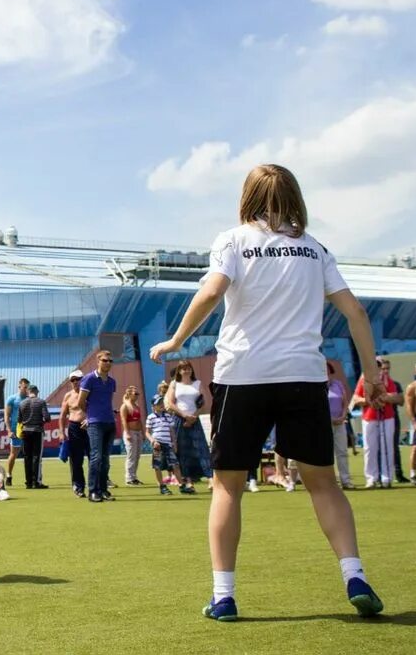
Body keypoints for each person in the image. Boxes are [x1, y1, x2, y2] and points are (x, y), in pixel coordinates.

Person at [149, 164, 385, 621]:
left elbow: (211, 293)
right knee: (324, 485)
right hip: (303, 377)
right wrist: (371, 377)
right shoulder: (315, 250)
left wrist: (177, 341)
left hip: (243, 376)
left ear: (248, 195)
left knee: (227, 487)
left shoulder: (234, 240)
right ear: (295, 196)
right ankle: (355, 575)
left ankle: (224, 596)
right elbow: (355, 311)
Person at [350, 358, 398, 489]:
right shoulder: (364, 379)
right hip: (369, 417)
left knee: (386, 447)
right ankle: (371, 478)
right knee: (370, 448)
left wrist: (384, 397)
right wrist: (368, 400)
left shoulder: (387, 380)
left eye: (378, 366)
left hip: (386, 416)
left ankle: (386, 477)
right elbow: (356, 398)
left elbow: (394, 395)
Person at [166, 360, 213, 494]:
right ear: (179, 371)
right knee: (183, 452)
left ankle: (210, 479)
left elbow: (203, 403)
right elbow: (170, 403)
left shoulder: (197, 383)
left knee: (201, 449)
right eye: (183, 369)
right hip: (180, 419)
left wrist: (193, 416)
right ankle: (188, 481)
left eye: (188, 368)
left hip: (195, 418)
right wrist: (184, 415)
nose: (186, 371)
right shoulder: (174, 384)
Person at [77, 351, 117, 503]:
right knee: (96, 457)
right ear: (98, 361)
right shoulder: (89, 379)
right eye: (105, 360)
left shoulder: (112, 382)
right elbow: (81, 402)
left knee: (105, 459)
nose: (108, 363)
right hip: (95, 423)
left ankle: (103, 489)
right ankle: (93, 491)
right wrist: (91, 415)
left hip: (110, 422)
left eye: (110, 360)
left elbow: (108, 401)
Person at [58, 370, 88, 497]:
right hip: (74, 428)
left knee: (95, 458)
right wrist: (61, 432)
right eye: (73, 380)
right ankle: (78, 486)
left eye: (78, 379)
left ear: (83, 379)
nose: (75, 382)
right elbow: (63, 416)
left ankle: (96, 486)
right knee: (76, 459)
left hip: (90, 427)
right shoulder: (68, 396)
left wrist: (89, 419)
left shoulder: (88, 393)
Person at [145, 394, 181, 495]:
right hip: (157, 444)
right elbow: (147, 432)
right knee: (157, 466)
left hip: (168, 444)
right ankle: (162, 486)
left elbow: (172, 431)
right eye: (158, 403)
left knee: (175, 464)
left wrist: (174, 443)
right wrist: (153, 441)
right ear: (153, 406)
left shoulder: (168, 416)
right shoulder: (151, 417)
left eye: (162, 403)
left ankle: (181, 485)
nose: (161, 405)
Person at [326, 363, 354, 489]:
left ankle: (345, 480)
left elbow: (345, 402)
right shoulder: (317, 386)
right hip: (324, 425)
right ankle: (330, 482)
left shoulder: (338, 384)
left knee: (342, 452)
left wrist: (343, 416)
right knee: (327, 453)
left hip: (339, 423)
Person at [18, 385, 50, 489]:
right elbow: (47, 417)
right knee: (37, 457)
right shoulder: (41, 402)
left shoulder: (22, 403)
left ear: (28, 391)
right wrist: (41, 422)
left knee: (27, 457)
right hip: (37, 431)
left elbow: (19, 419)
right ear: (36, 391)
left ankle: (28, 482)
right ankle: (36, 482)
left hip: (25, 431)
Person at [3, 378, 29, 487]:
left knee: (29, 455)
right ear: (19, 386)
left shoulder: (29, 399)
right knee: (14, 454)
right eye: (24, 387)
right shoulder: (12, 399)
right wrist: (9, 430)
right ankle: (8, 475)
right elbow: (7, 416)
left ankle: (30, 478)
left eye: (27, 387)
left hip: (28, 430)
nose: (26, 389)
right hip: (15, 430)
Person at [120, 385, 146, 486]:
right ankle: (129, 478)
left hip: (138, 432)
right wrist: (127, 433)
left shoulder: (137, 406)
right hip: (130, 432)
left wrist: (143, 433)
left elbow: (140, 420)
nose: (137, 395)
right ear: (129, 394)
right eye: (135, 394)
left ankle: (134, 477)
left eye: (138, 394)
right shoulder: (125, 406)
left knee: (137, 455)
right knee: (131, 455)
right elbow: (123, 420)